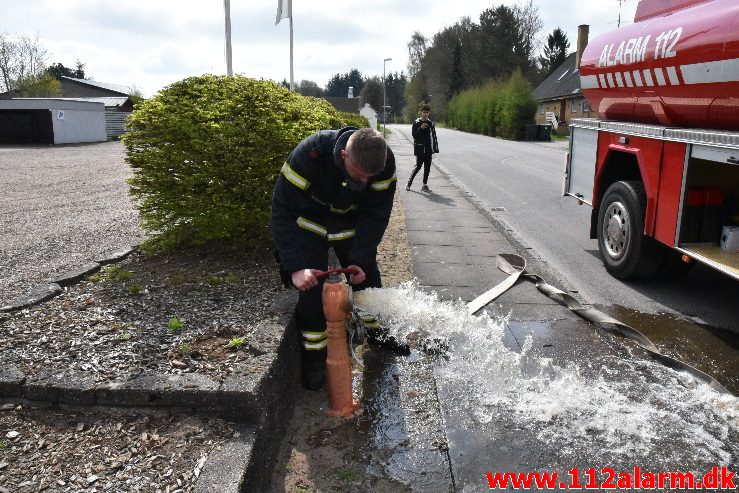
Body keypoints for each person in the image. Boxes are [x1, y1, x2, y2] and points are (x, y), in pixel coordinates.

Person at [271, 127, 397, 390]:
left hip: (351, 222)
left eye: (369, 178)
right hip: (311, 222)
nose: (364, 182)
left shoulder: (383, 163)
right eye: (359, 175)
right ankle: (315, 361)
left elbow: (376, 215)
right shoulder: (309, 154)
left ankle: (379, 335)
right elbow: (282, 211)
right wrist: (294, 268)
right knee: (312, 295)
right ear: (343, 155)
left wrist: (360, 259)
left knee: (369, 282)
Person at [406, 104, 439, 192]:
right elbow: (414, 135)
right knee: (418, 167)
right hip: (420, 149)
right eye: (424, 112)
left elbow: (433, 137)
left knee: (427, 168)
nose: (425, 114)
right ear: (421, 112)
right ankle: (409, 184)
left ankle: (424, 185)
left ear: (429, 113)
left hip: (428, 150)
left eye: (427, 112)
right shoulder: (416, 123)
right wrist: (420, 128)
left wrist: (434, 149)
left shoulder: (430, 123)